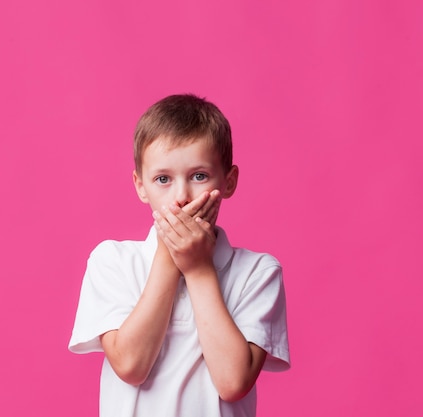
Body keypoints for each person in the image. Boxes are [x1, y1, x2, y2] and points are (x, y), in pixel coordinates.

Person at [68, 94, 290, 417]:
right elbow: (130, 365)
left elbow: (233, 382)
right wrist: (169, 256)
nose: (182, 196)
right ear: (140, 185)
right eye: (163, 179)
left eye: (199, 176)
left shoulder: (258, 272)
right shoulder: (111, 262)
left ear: (228, 182)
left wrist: (199, 269)